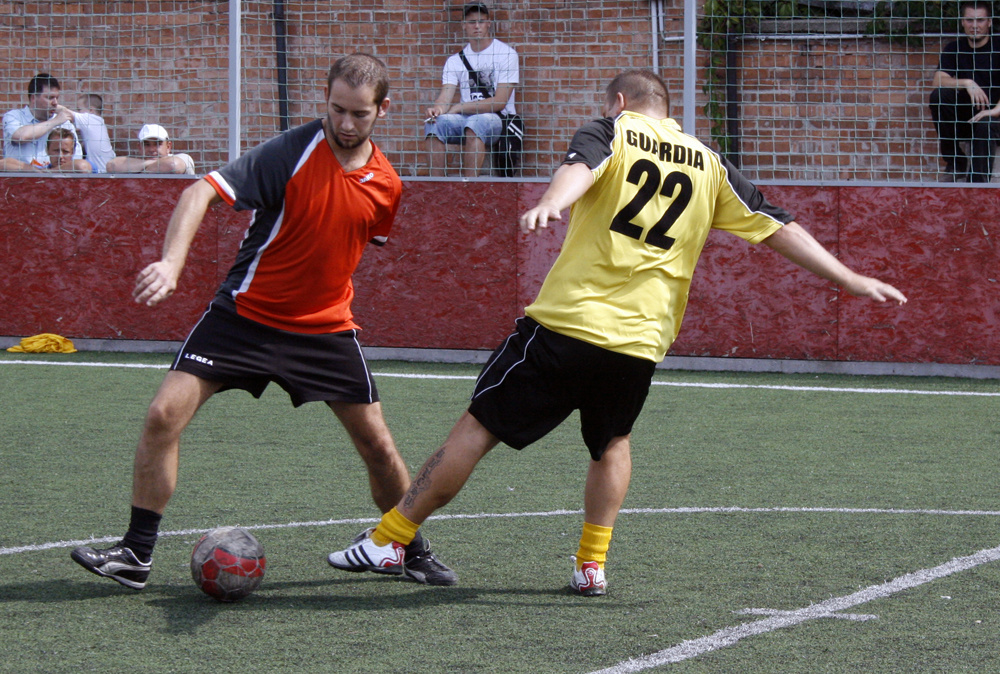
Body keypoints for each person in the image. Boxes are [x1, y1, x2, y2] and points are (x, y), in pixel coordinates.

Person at [329, 69, 908, 597]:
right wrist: (848, 276)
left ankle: (389, 539)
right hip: (640, 341)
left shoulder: (612, 130)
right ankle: (590, 564)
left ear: (621, 101)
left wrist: (552, 202)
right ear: (668, 108)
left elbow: (579, 169)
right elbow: (774, 224)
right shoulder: (707, 160)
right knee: (612, 443)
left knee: (477, 429)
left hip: (568, 323)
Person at [71, 53, 456, 590]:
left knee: (378, 446)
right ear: (325, 99)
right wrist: (172, 262)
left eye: (359, 114)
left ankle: (409, 549)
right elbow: (198, 190)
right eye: (336, 109)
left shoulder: (386, 185)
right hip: (243, 316)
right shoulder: (290, 151)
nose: (345, 124)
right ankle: (135, 555)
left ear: (382, 110)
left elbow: (343, 245)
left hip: (324, 329)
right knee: (163, 415)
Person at [424, 2, 518, 177]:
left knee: (475, 123)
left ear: (489, 23)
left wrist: (460, 108)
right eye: (472, 21)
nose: (477, 26)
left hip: (498, 119)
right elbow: (446, 95)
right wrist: (437, 109)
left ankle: (469, 185)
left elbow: (499, 102)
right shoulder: (455, 60)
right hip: (466, 119)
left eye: (481, 21)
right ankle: (435, 185)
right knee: (434, 125)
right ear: (464, 25)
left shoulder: (506, 54)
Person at [929, 0, 1000, 182]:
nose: (974, 26)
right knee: (939, 96)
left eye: (980, 20)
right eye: (969, 20)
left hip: (995, 119)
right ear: (962, 22)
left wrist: (993, 111)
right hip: (967, 119)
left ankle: (976, 185)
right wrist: (967, 83)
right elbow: (938, 80)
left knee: (986, 122)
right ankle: (956, 162)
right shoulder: (954, 48)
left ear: (990, 22)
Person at [3, 73, 84, 168]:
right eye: (50, 98)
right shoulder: (14, 116)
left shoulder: (64, 123)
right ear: (33, 98)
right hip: (20, 178)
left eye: (56, 98)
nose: (55, 103)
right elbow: (20, 137)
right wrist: (54, 122)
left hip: (54, 178)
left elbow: (76, 159)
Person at [106, 124, 196, 174]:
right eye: (147, 144)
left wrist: (139, 171)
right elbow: (111, 165)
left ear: (168, 146)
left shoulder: (183, 158)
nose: (152, 149)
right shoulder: (138, 163)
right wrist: (150, 163)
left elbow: (174, 165)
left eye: (157, 144)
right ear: (139, 147)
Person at [73, 93, 116, 173]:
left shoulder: (90, 119)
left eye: (79, 110)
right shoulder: (98, 123)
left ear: (91, 110)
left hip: (100, 174)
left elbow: (66, 113)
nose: (77, 112)